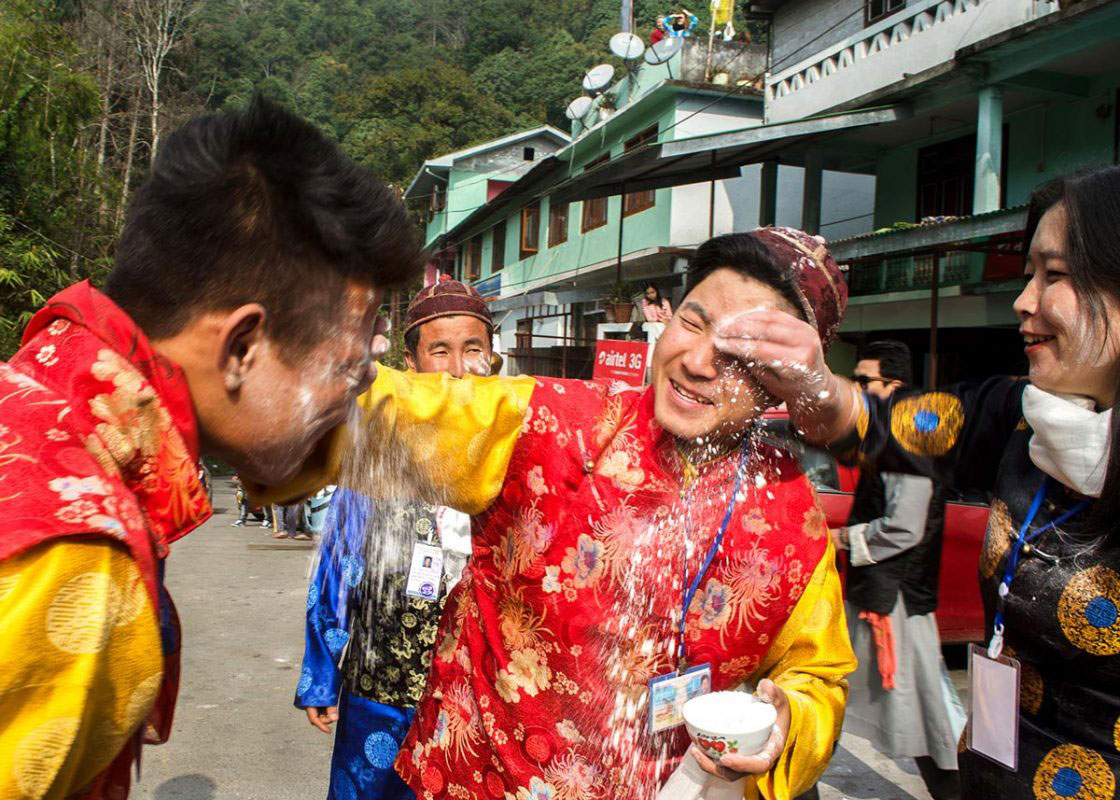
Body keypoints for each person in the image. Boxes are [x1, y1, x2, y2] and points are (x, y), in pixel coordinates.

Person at [263, 227, 857, 799]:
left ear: (786, 381)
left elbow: (818, 678)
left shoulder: (790, 517)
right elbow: (397, 413)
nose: (697, 361)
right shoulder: (554, 421)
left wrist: (788, 725)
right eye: (691, 322)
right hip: (477, 780)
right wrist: (283, 367)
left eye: (738, 352)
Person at [0, 96, 421, 798]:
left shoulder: (37, 408)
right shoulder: (79, 555)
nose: (352, 401)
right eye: (347, 370)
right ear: (242, 347)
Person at [716, 166, 1120, 797]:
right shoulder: (1017, 416)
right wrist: (814, 380)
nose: (1024, 300)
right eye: (1028, 275)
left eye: (1055, 275)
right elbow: (890, 424)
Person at [295, 277, 487, 800]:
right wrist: (320, 671)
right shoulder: (377, 452)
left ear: (493, 359)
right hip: (381, 688)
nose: (456, 367)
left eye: (473, 349)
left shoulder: (515, 456)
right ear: (412, 362)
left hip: (478, 698)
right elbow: (336, 568)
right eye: (440, 350)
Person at [832, 340, 963, 800]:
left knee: (926, 717)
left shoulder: (910, 435)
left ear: (895, 385)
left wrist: (844, 539)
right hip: (885, 596)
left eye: (866, 381)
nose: (858, 389)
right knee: (835, 694)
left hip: (895, 602)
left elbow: (904, 527)